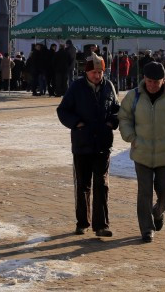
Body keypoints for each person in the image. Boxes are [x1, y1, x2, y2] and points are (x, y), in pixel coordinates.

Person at [118, 61, 165, 243]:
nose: (152, 85)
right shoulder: (133, 97)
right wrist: (131, 137)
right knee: (144, 192)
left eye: (156, 82)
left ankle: (158, 212)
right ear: (144, 79)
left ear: (163, 80)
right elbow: (124, 117)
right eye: (149, 81)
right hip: (141, 152)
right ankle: (146, 228)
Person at [56, 55, 120, 237]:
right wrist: (76, 123)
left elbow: (117, 108)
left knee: (102, 184)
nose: (98, 75)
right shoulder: (76, 87)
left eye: (100, 72)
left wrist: (112, 123)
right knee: (83, 185)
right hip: (82, 144)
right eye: (94, 72)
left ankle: (101, 225)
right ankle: (82, 222)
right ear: (87, 72)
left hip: (102, 143)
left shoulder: (109, 86)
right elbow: (62, 110)